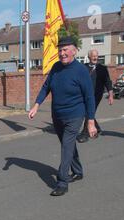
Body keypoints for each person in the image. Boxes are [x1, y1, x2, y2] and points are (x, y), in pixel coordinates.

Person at [28, 36, 97, 196]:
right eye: (60, 50)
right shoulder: (56, 67)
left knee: (66, 146)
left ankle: (62, 182)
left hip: (75, 115)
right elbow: (46, 87)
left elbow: (89, 97)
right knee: (69, 145)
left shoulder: (81, 71)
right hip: (57, 115)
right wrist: (36, 105)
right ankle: (78, 171)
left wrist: (91, 121)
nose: (62, 53)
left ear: (74, 51)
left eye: (65, 49)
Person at [77, 49, 114, 143]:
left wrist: (110, 95)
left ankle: (85, 133)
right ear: (89, 57)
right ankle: (97, 128)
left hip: (96, 95)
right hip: (84, 94)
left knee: (88, 112)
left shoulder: (102, 68)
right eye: (93, 56)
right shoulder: (83, 67)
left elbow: (107, 81)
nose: (95, 57)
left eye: (96, 56)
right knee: (88, 112)